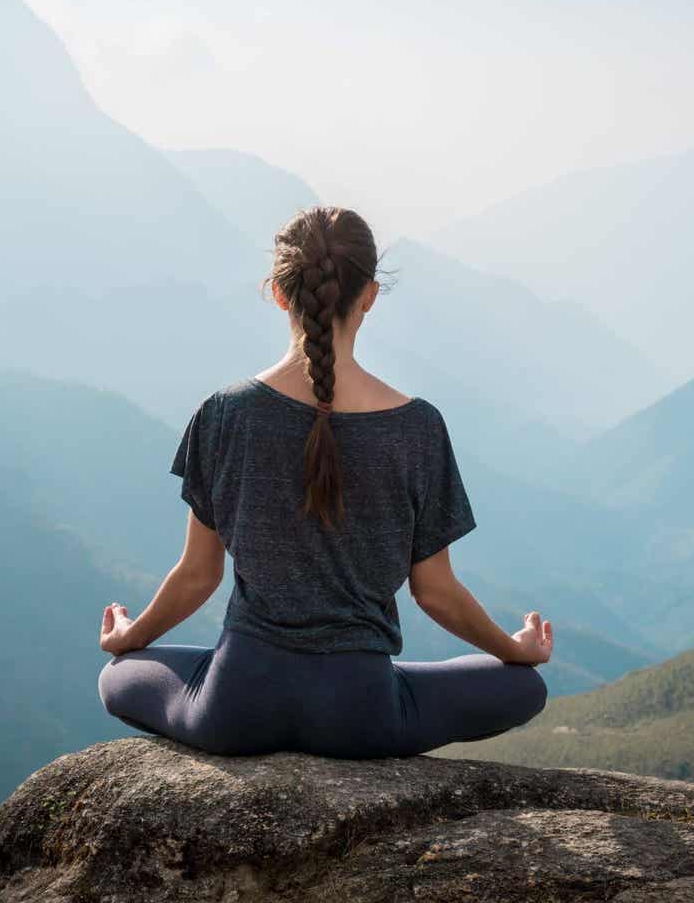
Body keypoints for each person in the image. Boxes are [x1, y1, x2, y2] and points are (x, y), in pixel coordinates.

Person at [97, 205, 552, 759]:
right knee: (524, 687)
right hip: (360, 716)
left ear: (280, 294)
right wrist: (513, 646)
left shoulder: (224, 414)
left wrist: (132, 634)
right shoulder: (418, 428)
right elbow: (434, 592)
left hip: (237, 705)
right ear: (369, 296)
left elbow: (198, 574)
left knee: (118, 677)